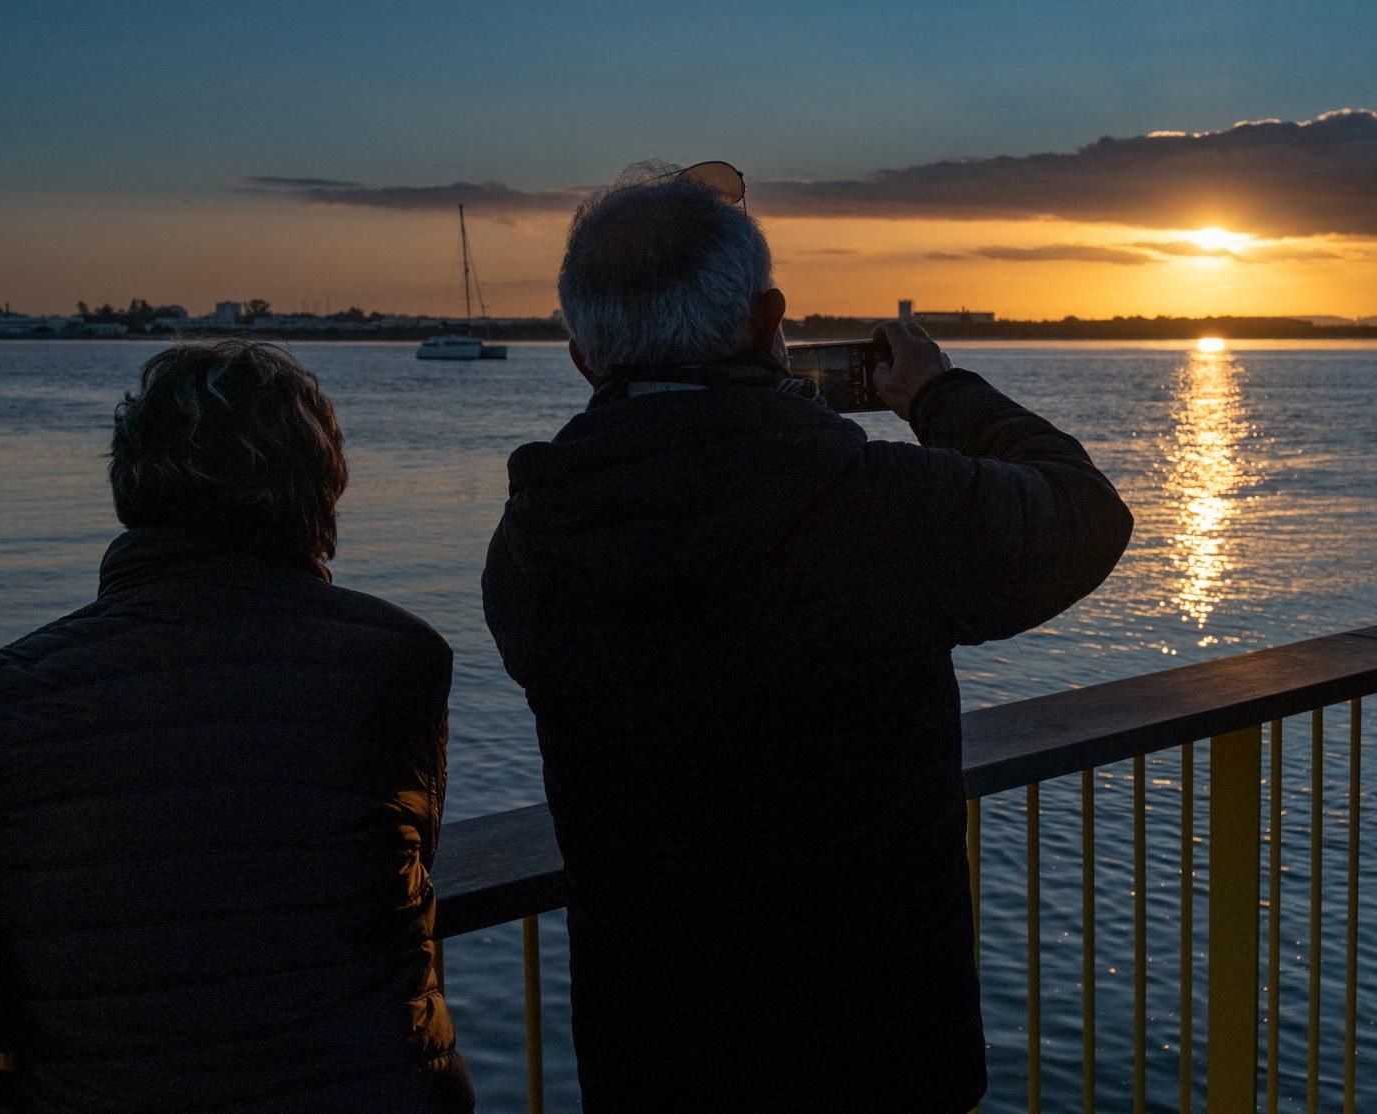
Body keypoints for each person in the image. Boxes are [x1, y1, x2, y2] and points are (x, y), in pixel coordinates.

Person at [481, 163, 1133, 1112]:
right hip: (882, 1055)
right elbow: (1084, 514)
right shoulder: (877, 507)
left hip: (655, 1061)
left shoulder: (535, 548)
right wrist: (938, 398)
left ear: (583, 358)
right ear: (767, 320)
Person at [0, 339, 473, 1113]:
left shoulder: (5, 693)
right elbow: (387, 874)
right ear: (320, 493)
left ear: (131, 485)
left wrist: (70, 963)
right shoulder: (400, 662)